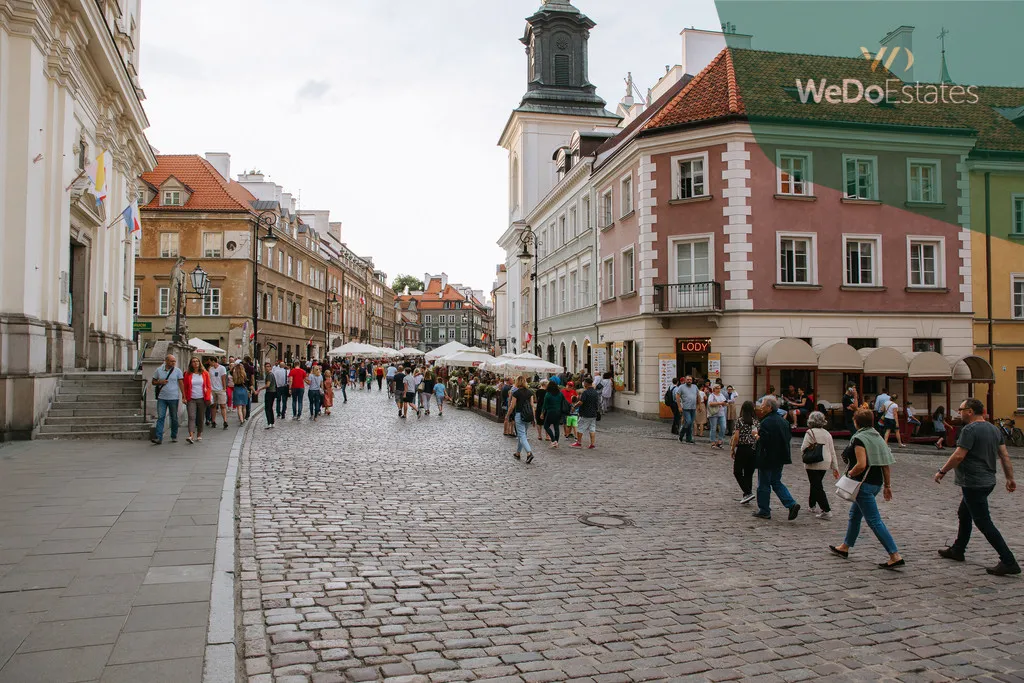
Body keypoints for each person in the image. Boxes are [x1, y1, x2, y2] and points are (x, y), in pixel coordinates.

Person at [934, 398, 1019, 576]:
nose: (959, 412)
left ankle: (1008, 561)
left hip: (973, 482)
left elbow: (958, 456)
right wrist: (1010, 478)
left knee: (983, 521)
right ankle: (958, 549)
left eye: (961, 409)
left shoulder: (970, 429)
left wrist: (942, 471)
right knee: (964, 513)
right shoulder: (994, 429)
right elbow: (1004, 455)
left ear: (970, 411)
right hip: (988, 481)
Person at [829, 409, 904, 569]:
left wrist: (849, 473)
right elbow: (885, 464)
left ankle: (894, 555)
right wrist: (887, 486)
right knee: (854, 515)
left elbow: (861, 464)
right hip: (875, 484)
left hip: (861, 485)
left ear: (856, 422)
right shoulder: (877, 436)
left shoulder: (859, 439)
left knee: (874, 521)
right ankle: (845, 547)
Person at [752, 397, 800, 521]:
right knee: (776, 482)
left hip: (767, 457)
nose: (761, 407)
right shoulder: (784, 421)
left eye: (763, 405)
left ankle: (764, 510)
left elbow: (764, 441)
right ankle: (791, 504)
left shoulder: (766, 422)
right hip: (780, 457)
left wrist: (756, 436)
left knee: (764, 484)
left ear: (769, 407)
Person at [801, 411, 840, 519]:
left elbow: (803, 448)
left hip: (813, 461)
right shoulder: (827, 433)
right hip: (825, 461)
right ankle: (812, 505)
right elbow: (832, 451)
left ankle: (826, 510)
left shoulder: (810, 432)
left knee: (816, 486)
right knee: (816, 483)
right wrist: (835, 467)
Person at [151, 354, 184, 445]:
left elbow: (181, 383)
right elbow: (153, 382)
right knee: (161, 417)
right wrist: (159, 382)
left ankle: (174, 435)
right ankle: (158, 437)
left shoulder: (177, 371)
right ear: (166, 361)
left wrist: (184, 396)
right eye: (171, 361)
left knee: (174, 417)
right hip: (162, 397)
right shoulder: (159, 370)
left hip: (174, 397)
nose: (173, 363)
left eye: (174, 361)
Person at [730, 400, 758, 505]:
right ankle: (747, 495)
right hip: (753, 448)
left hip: (742, 448)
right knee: (748, 473)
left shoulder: (740, 421)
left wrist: (733, 449)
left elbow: (736, 437)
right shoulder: (756, 421)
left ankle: (747, 492)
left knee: (737, 471)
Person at [505, 376, 535, 463]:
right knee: (523, 435)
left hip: (519, 415)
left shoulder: (516, 393)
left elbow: (512, 406)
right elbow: (532, 406)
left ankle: (529, 453)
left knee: (521, 435)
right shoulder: (530, 392)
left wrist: (507, 415)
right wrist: (534, 418)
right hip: (528, 415)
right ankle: (518, 453)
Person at [182, 357, 211, 444]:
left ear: (199, 363)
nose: (195, 363)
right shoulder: (187, 374)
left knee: (200, 417)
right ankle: (191, 435)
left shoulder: (205, 373)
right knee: (191, 416)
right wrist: (184, 397)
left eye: (197, 361)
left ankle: (199, 434)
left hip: (202, 398)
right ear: (191, 363)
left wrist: (208, 397)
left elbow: (209, 386)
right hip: (191, 398)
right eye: (193, 361)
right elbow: (185, 387)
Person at [539, 381, 567, 448]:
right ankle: (556, 442)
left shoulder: (548, 394)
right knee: (556, 427)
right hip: (558, 412)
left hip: (550, 412)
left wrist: (542, 413)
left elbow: (544, 405)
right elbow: (564, 401)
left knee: (546, 426)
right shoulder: (560, 394)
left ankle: (553, 440)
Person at [575, 377, 600, 449]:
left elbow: (580, 402)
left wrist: (574, 406)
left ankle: (578, 442)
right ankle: (592, 444)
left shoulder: (585, 392)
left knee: (580, 427)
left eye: (584, 383)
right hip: (593, 413)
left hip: (585, 413)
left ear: (586, 383)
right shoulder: (595, 392)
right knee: (592, 428)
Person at [207, 358, 229, 429]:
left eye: (210, 362)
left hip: (220, 389)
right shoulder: (210, 369)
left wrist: (224, 389)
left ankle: (225, 421)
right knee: (213, 406)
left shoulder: (222, 368)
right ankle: (213, 421)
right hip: (212, 390)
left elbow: (223, 379)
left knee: (223, 405)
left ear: (213, 361)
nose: (209, 363)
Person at [675, 376, 698, 444]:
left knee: (690, 424)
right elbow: (677, 396)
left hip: (693, 407)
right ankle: (681, 435)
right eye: (688, 379)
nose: (689, 381)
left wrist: (699, 405)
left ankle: (689, 438)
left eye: (690, 380)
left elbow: (698, 395)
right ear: (685, 380)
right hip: (685, 408)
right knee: (688, 422)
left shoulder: (695, 387)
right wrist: (679, 406)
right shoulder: (681, 387)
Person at [707, 384, 727, 449]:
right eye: (717, 388)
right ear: (714, 389)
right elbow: (710, 403)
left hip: (721, 413)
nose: (719, 389)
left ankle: (719, 441)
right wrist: (720, 403)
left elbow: (724, 402)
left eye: (719, 388)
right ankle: (713, 442)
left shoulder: (721, 395)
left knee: (723, 427)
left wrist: (725, 404)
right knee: (713, 428)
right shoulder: (711, 395)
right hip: (714, 414)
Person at [262, 362, 278, 429]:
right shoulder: (271, 374)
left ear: (270, 367)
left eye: (268, 366)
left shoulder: (269, 375)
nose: (267, 368)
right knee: (270, 408)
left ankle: (269, 423)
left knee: (267, 408)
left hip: (270, 392)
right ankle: (272, 422)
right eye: (266, 366)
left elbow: (268, 385)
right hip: (273, 392)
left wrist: (260, 389)